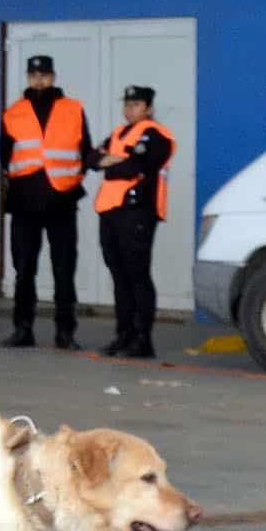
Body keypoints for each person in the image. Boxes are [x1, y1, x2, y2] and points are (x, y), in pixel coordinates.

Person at [0, 55, 94, 350]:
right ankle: (22, 329)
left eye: (44, 75)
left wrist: (74, 177)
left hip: (61, 200)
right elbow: (5, 156)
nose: (38, 80)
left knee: (64, 269)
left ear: (53, 77)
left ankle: (65, 332)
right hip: (25, 202)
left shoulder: (73, 109)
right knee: (24, 270)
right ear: (28, 77)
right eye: (33, 75)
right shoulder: (13, 113)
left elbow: (85, 149)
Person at [94, 85, 175, 359]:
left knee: (137, 274)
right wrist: (116, 160)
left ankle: (143, 339)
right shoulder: (118, 133)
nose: (130, 109)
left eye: (136, 104)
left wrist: (112, 162)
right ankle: (124, 334)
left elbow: (138, 166)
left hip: (138, 212)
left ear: (149, 108)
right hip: (111, 210)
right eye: (127, 104)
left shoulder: (156, 135)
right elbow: (91, 158)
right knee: (119, 275)